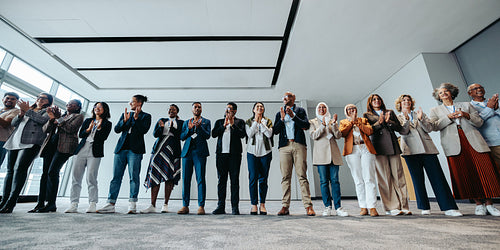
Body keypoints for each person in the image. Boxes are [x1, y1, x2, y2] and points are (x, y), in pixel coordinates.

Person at [429, 83, 500, 216]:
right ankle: (479, 204)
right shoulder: (435, 110)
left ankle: (490, 204)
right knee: (466, 172)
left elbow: (479, 122)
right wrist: (448, 117)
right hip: (453, 143)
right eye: (440, 93)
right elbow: (434, 127)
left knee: (484, 170)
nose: (444, 93)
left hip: (473, 139)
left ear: (451, 93)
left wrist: (465, 115)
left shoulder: (467, 105)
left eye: (446, 91)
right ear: (438, 96)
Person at [395, 95, 462, 216]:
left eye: (408, 100)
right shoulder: (398, 117)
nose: (406, 102)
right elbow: (403, 131)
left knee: (438, 178)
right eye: (403, 100)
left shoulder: (420, 114)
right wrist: (405, 120)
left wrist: (421, 119)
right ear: (399, 104)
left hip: (428, 149)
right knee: (417, 180)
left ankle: (449, 207)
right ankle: (424, 206)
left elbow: (429, 128)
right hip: (410, 151)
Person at [97, 95, 151, 214]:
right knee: (116, 177)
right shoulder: (125, 115)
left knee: (134, 177)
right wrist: (124, 121)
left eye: (132, 102)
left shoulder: (146, 116)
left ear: (139, 103)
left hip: (135, 151)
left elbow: (144, 130)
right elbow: (117, 129)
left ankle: (132, 204)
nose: (130, 103)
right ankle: (110, 203)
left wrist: (136, 119)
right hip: (121, 149)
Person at [0, 93, 52, 213]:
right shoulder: (30, 109)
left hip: (31, 143)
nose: (39, 99)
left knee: (20, 170)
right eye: (38, 97)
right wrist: (21, 114)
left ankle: (11, 203)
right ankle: (3, 201)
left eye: (43, 98)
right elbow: (13, 123)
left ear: (48, 101)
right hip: (15, 140)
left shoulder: (48, 111)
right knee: (10, 171)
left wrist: (27, 110)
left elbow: (42, 121)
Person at [32, 99, 84, 213]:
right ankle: (40, 203)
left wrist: (59, 118)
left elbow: (70, 129)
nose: (68, 105)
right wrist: (52, 119)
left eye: (72, 104)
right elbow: (45, 129)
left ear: (77, 107)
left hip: (64, 147)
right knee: (45, 174)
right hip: (51, 144)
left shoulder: (78, 116)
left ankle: (51, 204)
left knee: (52, 172)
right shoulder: (60, 115)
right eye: (67, 103)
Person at [364, 94, 410, 216]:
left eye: (378, 99)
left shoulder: (389, 112)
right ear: (370, 102)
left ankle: (404, 206)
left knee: (399, 177)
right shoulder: (367, 115)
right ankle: (391, 207)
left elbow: (399, 128)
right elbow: (369, 131)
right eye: (374, 99)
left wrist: (389, 121)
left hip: (393, 146)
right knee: (385, 178)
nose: (376, 101)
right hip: (379, 147)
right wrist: (379, 123)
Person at [65, 102, 112, 213]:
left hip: (94, 152)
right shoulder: (87, 121)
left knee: (91, 177)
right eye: (95, 107)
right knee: (76, 178)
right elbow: (81, 135)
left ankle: (92, 203)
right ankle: (74, 204)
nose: (97, 108)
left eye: (100, 107)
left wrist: (99, 129)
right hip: (81, 150)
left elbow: (103, 138)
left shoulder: (107, 124)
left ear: (105, 110)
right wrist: (88, 129)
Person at [274, 91, 315, 216]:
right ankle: (285, 206)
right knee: (285, 177)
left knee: (302, 175)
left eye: (289, 96)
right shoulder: (279, 113)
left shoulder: (300, 110)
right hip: (284, 147)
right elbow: (275, 131)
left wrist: (293, 116)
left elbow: (306, 125)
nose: (286, 98)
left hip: (298, 145)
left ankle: (308, 206)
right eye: (284, 97)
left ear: (294, 98)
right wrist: (281, 119)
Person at [140, 104, 183, 214]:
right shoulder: (161, 120)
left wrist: (172, 127)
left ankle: (165, 204)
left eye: (173, 109)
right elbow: (155, 134)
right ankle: (152, 205)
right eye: (169, 109)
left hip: (172, 151)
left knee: (169, 177)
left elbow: (180, 136)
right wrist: (161, 127)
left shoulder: (181, 123)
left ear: (177, 112)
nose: (171, 111)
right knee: (155, 175)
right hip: (159, 150)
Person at [309, 102, 348, 217]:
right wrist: (323, 125)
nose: (322, 109)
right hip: (321, 156)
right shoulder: (313, 122)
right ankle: (327, 207)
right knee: (324, 182)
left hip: (333, 155)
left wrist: (334, 124)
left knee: (335, 181)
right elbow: (314, 136)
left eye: (324, 107)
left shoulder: (332, 121)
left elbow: (338, 136)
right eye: (320, 107)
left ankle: (338, 207)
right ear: (317, 109)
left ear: (327, 109)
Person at [340, 104, 379, 217]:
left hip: (366, 148)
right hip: (352, 150)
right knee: (358, 179)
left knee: (369, 178)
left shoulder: (363, 120)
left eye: (354, 109)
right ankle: (363, 206)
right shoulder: (344, 122)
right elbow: (343, 133)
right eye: (349, 109)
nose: (352, 110)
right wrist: (351, 122)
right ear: (346, 111)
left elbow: (369, 131)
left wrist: (357, 122)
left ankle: (372, 206)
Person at [211, 102, 246, 215]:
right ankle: (220, 206)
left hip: (234, 155)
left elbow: (242, 135)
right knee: (221, 180)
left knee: (234, 180)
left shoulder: (240, 122)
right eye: (226, 108)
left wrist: (232, 124)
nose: (227, 111)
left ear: (235, 111)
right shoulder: (219, 122)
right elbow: (214, 134)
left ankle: (235, 207)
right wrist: (224, 125)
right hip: (221, 155)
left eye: (230, 109)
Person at [177, 102, 211, 215]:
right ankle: (185, 206)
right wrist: (189, 129)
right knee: (186, 180)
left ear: (201, 109)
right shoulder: (186, 122)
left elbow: (207, 135)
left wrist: (199, 127)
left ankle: (201, 206)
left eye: (199, 107)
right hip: (187, 153)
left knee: (200, 179)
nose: (197, 108)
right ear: (192, 109)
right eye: (195, 107)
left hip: (200, 153)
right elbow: (181, 137)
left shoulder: (206, 122)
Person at [245, 102, 273, 215]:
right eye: (257, 107)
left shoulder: (268, 121)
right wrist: (255, 122)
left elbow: (269, 134)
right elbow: (250, 134)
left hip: (266, 152)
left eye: (261, 107)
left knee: (263, 179)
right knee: (252, 179)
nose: (260, 108)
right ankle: (253, 205)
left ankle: (262, 204)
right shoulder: (248, 122)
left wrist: (262, 123)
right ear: (253, 110)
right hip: (252, 153)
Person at [467, 83, 500, 168]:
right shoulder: (470, 107)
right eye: (475, 88)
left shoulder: (494, 102)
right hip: (493, 142)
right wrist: (489, 108)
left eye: (481, 87)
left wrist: (496, 109)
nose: (479, 89)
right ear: (470, 93)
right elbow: (477, 121)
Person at [0, 92, 20, 167]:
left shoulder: (16, 111)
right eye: (7, 98)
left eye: (12, 99)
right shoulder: (1, 110)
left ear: (17, 102)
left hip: (1, 141)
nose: (9, 100)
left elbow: (6, 124)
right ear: (3, 99)